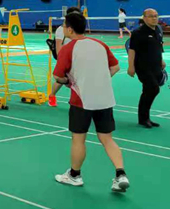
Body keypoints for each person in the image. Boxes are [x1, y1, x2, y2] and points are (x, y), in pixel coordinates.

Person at [52, 13, 129, 193]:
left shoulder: (68, 49)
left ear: (70, 29)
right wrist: (100, 81)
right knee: (107, 139)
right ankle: (121, 174)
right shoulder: (100, 44)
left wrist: (67, 82)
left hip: (81, 101)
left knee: (78, 139)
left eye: (64, 25)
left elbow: (57, 76)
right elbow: (115, 67)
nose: (63, 28)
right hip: (105, 99)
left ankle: (75, 175)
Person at [128, 8, 165, 129]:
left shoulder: (158, 29)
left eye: (156, 16)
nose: (154, 18)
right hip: (143, 67)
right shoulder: (138, 32)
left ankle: (144, 118)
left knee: (148, 90)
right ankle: (144, 118)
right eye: (151, 16)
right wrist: (131, 66)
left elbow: (159, 46)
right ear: (144, 18)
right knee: (153, 89)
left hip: (156, 66)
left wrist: (161, 60)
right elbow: (132, 50)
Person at [48, 6, 82, 107]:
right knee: (61, 80)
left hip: (75, 58)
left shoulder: (77, 28)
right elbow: (59, 47)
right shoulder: (61, 30)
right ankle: (52, 96)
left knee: (74, 80)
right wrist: (61, 61)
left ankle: (75, 99)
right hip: (65, 58)